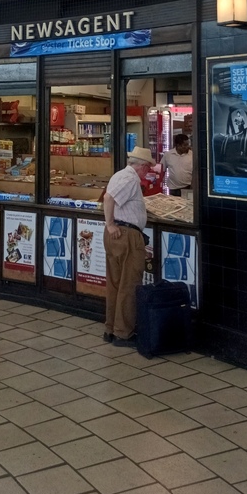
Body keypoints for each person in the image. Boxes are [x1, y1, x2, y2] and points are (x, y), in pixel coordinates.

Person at [102, 146, 152, 347]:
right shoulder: (131, 178)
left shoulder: (120, 175)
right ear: (141, 166)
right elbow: (108, 198)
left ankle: (111, 328)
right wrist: (110, 223)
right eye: (147, 168)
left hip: (117, 235)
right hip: (126, 234)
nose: (147, 172)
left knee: (115, 283)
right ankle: (124, 333)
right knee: (129, 284)